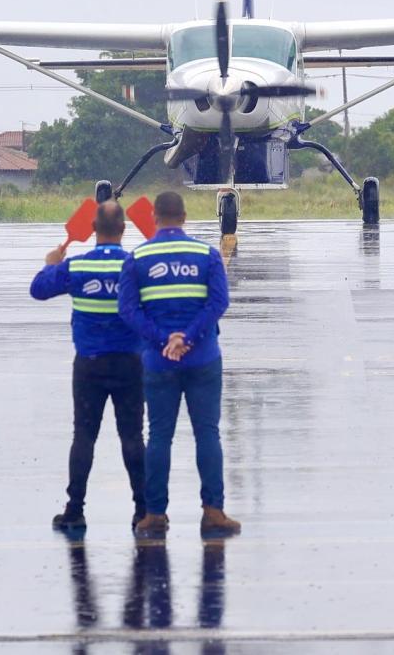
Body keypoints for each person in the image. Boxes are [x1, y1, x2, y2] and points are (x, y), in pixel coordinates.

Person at [118, 191, 240, 537]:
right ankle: (213, 511)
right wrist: (188, 337)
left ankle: (155, 513)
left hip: (159, 362)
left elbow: (127, 310)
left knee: (159, 436)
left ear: (155, 218)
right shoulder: (206, 254)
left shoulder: (137, 257)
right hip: (203, 358)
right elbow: (218, 303)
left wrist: (164, 340)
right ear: (184, 217)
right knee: (208, 434)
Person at [30, 200, 147, 531]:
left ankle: (75, 508)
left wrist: (51, 264)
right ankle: (143, 510)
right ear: (123, 231)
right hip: (130, 363)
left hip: (89, 365)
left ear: (93, 230)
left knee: (83, 437)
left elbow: (38, 290)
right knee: (134, 437)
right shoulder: (135, 267)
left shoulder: (77, 267)